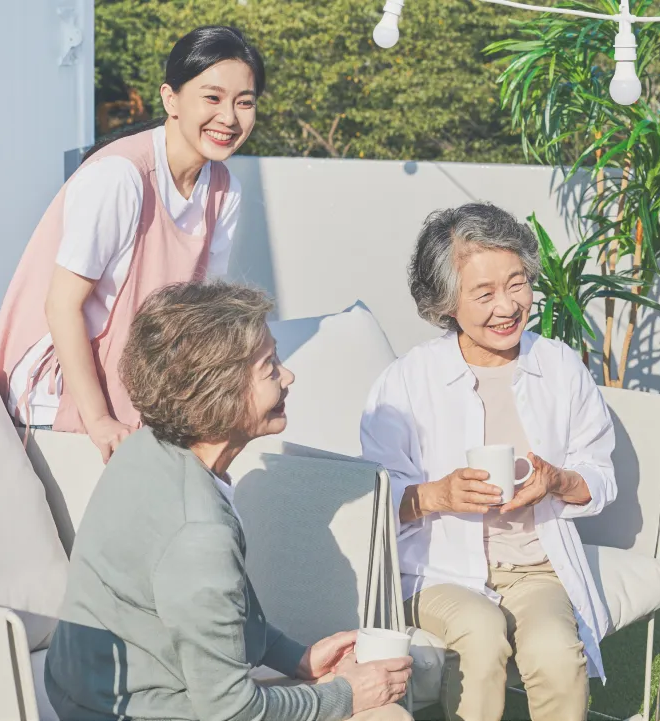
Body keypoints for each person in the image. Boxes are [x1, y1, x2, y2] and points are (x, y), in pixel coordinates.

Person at [44, 281, 413, 721]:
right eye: (270, 366)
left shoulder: (146, 449)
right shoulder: (199, 534)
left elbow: (214, 609)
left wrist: (297, 658)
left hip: (86, 692)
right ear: (216, 391)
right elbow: (234, 712)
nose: (288, 376)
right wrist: (349, 695)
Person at [360, 203, 617, 721]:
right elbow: (368, 504)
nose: (507, 306)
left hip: (535, 568)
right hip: (436, 571)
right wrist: (437, 495)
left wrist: (558, 481)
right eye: (484, 293)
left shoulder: (560, 367)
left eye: (516, 284)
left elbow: (601, 478)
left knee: (556, 656)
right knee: (481, 633)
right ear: (445, 303)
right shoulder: (407, 382)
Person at [0, 25, 262, 462]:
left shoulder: (224, 189)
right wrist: (100, 421)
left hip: (134, 386)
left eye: (243, 102)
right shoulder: (121, 177)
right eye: (212, 98)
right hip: (58, 398)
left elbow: (200, 313)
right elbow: (61, 306)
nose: (229, 117)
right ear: (171, 99)